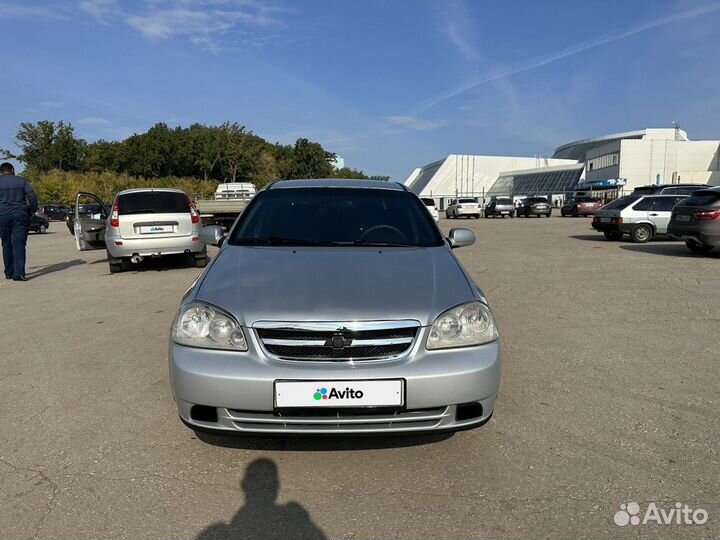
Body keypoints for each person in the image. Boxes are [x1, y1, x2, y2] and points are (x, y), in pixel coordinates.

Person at [0, 162, 38, 281]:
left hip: (2, 216)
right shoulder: (22, 181)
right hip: (20, 215)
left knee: (6, 244)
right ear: (12, 170)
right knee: (19, 244)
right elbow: (33, 197)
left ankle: (9, 272)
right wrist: (31, 211)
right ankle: (19, 273)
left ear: (1, 172)